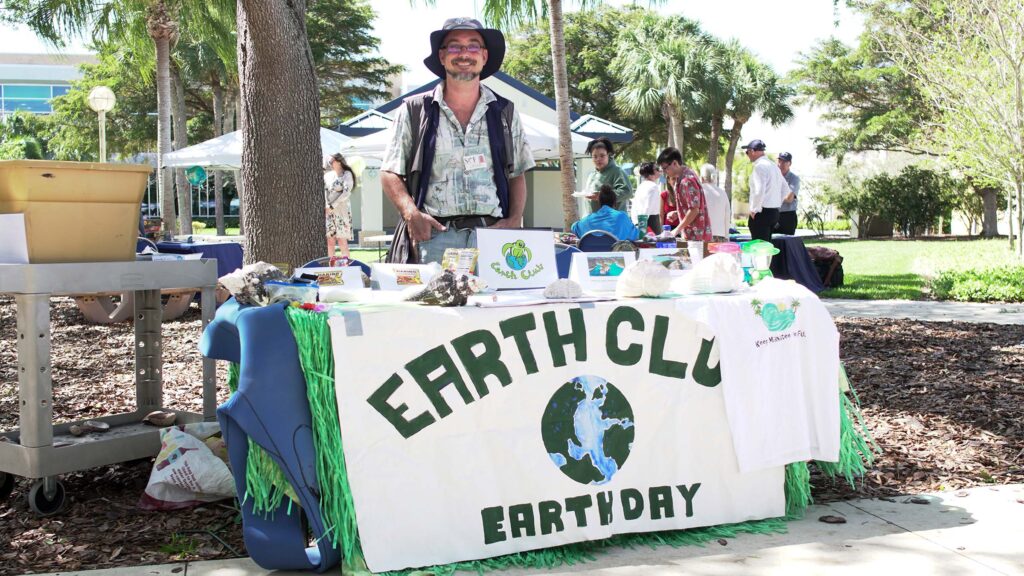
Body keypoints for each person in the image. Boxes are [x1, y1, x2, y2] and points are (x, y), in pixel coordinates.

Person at [380, 17, 535, 264]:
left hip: (491, 236)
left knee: (494, 292)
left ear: (484, 56)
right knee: (436, 293)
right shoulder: (415, 110)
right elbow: (389, 172)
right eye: (454, 46)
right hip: (434, 238)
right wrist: (411, 214)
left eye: (473, 46)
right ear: (442, 56)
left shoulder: (504, 111)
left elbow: (517, 173)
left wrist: (515, 220)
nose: (464, 53)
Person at [656, 147, 712, 243]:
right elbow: (694, 206)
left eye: (665, 168)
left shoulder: (687, 180)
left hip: (696, 237)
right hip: (692, 236)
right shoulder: (682, 177)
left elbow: (694, 210)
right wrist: (678, 213)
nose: (664, 172)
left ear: (675, 163)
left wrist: (676, 230)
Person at [742, 139, 786, 242]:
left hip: (762, 213)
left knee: (759, 246)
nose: (747, 155)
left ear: (753, 151)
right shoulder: (774, 166)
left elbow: (759, 191)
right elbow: (785, 189)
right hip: (774, 211)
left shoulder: (760, 167)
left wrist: (754, 209)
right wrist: (776, 203)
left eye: (747, 152)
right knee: (767, 246)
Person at [571, 184, 639, 241]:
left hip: (592, 253)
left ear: (599, 202)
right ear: (615, 202)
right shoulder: (622, 217)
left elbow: (574, 227)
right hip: (616, 253)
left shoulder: (588, 220)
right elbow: (636, 235)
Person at [583, 137, 632, 213]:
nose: (598, 159)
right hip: (593, 218)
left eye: (602, 155)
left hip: (612, 218)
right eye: (595, 156)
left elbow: (627, 192)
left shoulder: (617, 171)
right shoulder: (591, 175)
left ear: (608, 155)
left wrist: (602, 196)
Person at [324, 153, 355, 258]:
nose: (330, 163)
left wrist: (333, 205)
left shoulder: (347, 174)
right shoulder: (328, 175)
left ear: (339, 162)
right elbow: (324, 191)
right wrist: (327, 205)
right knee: (330, 240)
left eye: (332, 161)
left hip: (342, 211)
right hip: (329, 212)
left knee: (342, 240)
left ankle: (346, 264)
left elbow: (346, 193)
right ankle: (331, 264)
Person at [699, 164, 732, 242]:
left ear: (702, 178)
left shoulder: (699, 192)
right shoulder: (722, 193)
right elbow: (727, 216)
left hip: (702, 235)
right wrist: (726, 236)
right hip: (720, 235)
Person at [631, 162, 662, 235]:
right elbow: (648, 207)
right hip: (651, 221)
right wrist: (643, 225)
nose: (660, 171)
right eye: (657, 169)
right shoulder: (653, 186)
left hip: (640, 220)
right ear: (652, 172)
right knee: (654, 241)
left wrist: (637, 223)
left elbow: (634, 206)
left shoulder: (641, 186)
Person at [776, 151, 800, 235]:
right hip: (773, 214)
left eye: (785, 162)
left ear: (790, 163)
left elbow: (789, 198)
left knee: (787, 241)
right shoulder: (773, 177)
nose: (781, 164)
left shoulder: (794, 178)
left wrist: (772, 196)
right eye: (780, 161)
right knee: (769, 242)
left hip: (788, 216)